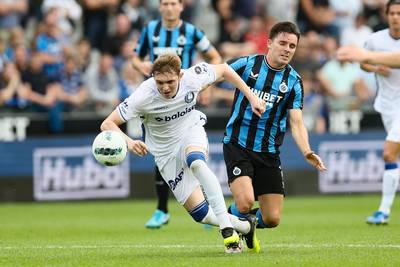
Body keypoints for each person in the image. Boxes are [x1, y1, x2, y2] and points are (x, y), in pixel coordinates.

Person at [100, 54, 264, 253]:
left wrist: (252, 96)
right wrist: (130, 142)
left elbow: (225, 69)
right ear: (153, 78)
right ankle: (246, 226)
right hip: (165, 154)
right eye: (160, 82)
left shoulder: (193, 77)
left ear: (180, 75)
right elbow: (107, 123)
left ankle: (228, 232)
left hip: (190, 131)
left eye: (170, 81)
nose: (165, 87)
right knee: (201, 214)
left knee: (196, 162)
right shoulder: (143, 95)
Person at [223, 22, 327, 231]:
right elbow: (218, 71)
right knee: (245, 202)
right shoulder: (247, 64)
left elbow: (296, 122)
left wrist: (307, 150)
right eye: (283, 43)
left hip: (268, 152)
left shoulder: (294, 82)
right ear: (269, 43)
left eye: (292, 46)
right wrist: (203, 87)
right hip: (238, 143)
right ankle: (229, 219)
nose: (287, 49)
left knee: (272, 219)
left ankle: (235, 222)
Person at [131, 0, 221, 229]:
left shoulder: (191, 32)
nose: (169, 7)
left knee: (190, 151)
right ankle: (162, 209)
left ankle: (207, 205)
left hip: (183, 98)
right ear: (160, 7)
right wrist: (140, 66)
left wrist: (206, 86)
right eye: (165, 3)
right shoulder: (150, 30)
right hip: (155, 103)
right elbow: (135, 57)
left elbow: (215, 57)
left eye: (173, 3)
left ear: (181, 7)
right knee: (160, 151)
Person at [338, 0, 400, 225]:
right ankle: (384, 211)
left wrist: (366, 57)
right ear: (386, 15)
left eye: (399, 13)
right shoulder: (376, 39)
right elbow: (363, 65)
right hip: (386, 105)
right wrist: (374, 67)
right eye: (392, 13)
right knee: (394, 157)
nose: (396, 17)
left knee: (388, 154)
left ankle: (383, 211)